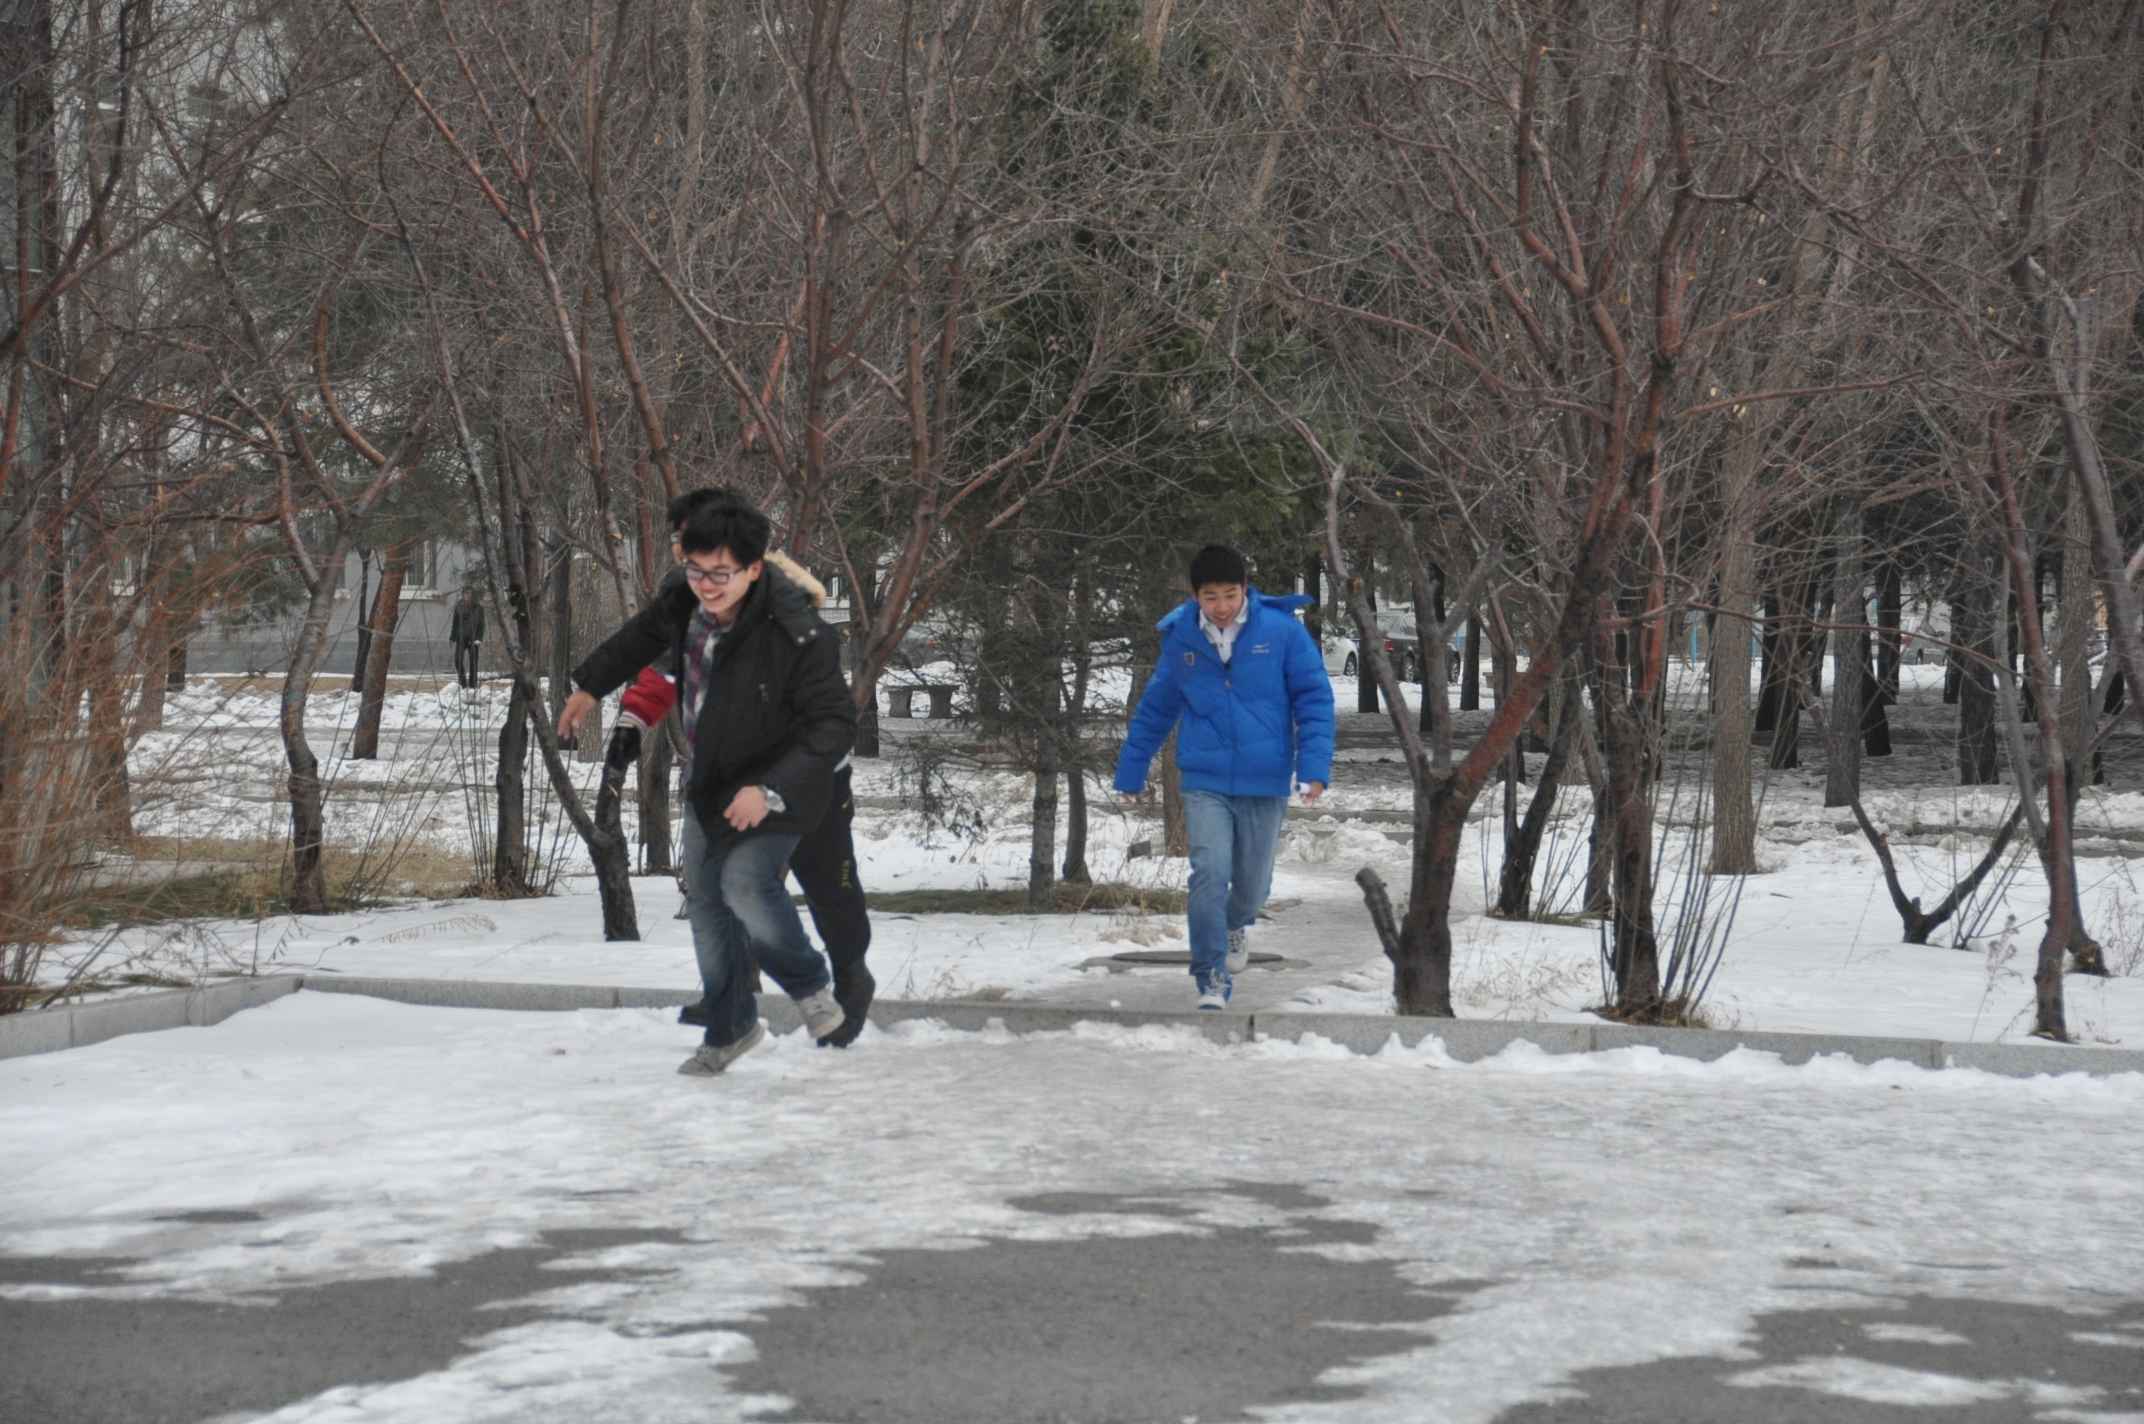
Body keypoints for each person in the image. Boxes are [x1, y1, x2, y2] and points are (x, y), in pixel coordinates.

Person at [560, 498, 851, 1076]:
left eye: (720, 573)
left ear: (753, 568)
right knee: (708, 905)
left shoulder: (797, 631)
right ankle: (732, 1025)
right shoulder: (683, 600)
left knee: (744, 882)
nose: (706, 585)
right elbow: (643, 642)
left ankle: (810, 986)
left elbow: (833, 724)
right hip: (711, 779)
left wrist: (769, 787)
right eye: (695, 569)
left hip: (786, 782)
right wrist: (592, 689)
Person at [1113, 544, 1334, 1010]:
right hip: (1205, 778)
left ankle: (1236, 923)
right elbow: (1156, 708)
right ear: (1196, 596)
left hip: (1265, 777)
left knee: (1252, 890)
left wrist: (1314, 769)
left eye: (1230, 595)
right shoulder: (1182, 639)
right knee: (1209, 873)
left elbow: (1314, 700)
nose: (1221, 606)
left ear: (1245, 590)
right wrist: (1131, 769)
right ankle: (1210, 976)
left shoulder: (1282, 633)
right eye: (1210, 596)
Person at [448, 586, 484, 689]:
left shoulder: (478, 608)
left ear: (473, 595)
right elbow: (455, 623)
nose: (468, 596)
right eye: (466, 593)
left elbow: (482, 625)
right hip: (461, 638)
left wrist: (479, 638)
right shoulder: (459, 606)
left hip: (473, 638)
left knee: (473, 663)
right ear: (463, 595)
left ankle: (473, 685)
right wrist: (452, 637)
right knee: (457, 660)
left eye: (470, 593)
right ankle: (463, 683)